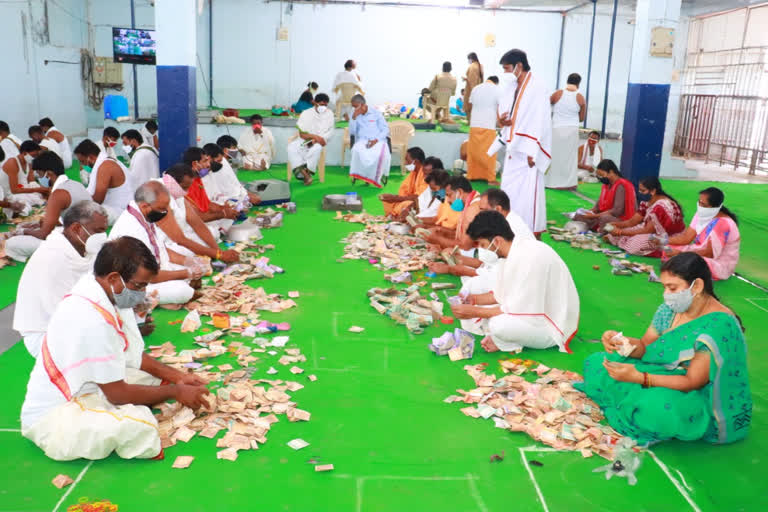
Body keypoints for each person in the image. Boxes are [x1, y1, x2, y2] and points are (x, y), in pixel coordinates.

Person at [20, 236, 211, 461]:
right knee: (140, 428)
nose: (142, 293)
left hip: (91, 384)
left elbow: (131, 353)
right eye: (139, 285)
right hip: (56, 411)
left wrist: (178, 377)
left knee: (152, 377)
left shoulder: (104, 290)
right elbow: (118, 394)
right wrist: (175, 391)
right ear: (113, 278)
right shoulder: (91, 318)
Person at [575, 252, 751, 445]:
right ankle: (630, 394)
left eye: (672, 287)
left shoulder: (718, 325)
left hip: (700, 394)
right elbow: (645, 346)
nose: (666, 294)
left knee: (658, 409)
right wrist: (621, 341)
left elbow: (693, 381)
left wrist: (641, 378)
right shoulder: (669, 310)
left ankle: (635, 397)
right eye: (664, 287)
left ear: (697, 286)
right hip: (663, 371)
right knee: (597, 362)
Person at [450, 210, 579, 353]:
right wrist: (472, 300)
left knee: (498, 325)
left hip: (550, 325)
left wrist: (475, 311)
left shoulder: (530, 257)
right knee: (475, 295)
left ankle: (505, 341)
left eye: (483, 244)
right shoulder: (512, 252)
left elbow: (520, 310)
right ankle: (501, 339)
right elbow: (500, 295)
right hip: (531, 312)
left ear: (497, 241)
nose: (483, 249)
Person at [13, 201, 108, 357]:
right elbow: (64, 315)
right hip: (45, 334)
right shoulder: (53, 258)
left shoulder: (83, 247)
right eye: (99, 231)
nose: (103, 236)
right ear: (76, 228)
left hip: (75, 320)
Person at [109, 181, 200, 304]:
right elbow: (150, 276)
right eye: (162, 209)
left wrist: (187, 261)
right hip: (133, 284)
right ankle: (151, 302)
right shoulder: (132, 228)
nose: (164, 213)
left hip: (153, 271)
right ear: (145, 206)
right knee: (183, 291)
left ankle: (163, 300)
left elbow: (160, 248)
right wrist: (186, 273)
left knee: (191, 266)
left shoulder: (143, 215)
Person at [497, 49, 552, 236]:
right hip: (514, 148)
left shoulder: (537, 86)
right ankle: (510, 231)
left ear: (519, 66)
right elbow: (508, 116)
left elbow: (540, 120)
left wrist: (533, 151)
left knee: (529, 198)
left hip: (529, 151)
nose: (505, 74)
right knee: (509, 193)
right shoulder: (513, 86)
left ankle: (531, 236)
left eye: (507, 69)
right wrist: (503, 121)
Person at [4, 152, 91, 262]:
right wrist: (39, 224)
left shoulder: (58, 193)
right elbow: (71, 218)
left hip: (75, 246)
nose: (39, 179)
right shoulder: (76, 184)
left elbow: (43, 234)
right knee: (36, 228)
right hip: (88, 239)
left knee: (12, 243)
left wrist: (23, 231)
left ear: (49, 174)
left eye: (40, 175)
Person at [159, 163, 240, 262]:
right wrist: (219, 255)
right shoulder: (159, 197)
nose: (187, 191)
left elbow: (197, 224)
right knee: (185, 252)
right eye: (185, 187)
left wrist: (218, 251)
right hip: (167, 244)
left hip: (184, 237)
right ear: (174, 183)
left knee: (211, 235)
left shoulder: (175, 191)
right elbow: (180, 240)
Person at [664, 187, 740, 280]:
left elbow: (709, 254)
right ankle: (677, 264)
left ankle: (677, 264)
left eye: (703, 204)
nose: (700, 206)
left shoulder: (723, 223)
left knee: (689, 262)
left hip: (716, 264)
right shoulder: (702, 213)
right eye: (699, 202)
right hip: (697, 251)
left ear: (714, 207)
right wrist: (663, 240)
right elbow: (686, 238)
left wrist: (680, 253)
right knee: (667, 248)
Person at [604, 177, 686, 257]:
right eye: (639, 190)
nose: (640, 192)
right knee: (613, 235)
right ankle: (625, 241)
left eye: (643, 190)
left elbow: (647, 231)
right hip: (649, 231)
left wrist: (620, 232)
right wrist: (616, 225)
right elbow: (632, 222)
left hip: (666, 237)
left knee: (635, 244)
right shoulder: (647, 202)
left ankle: (662, 251)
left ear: (653, 191)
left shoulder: (660, 206)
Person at [182, 147, 238, 239]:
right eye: (205, 161)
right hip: (191, 225)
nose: (209, 165)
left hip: (203, 219)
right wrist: (223, 214)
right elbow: (196, 217)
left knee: (227, 219)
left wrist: (224, 208)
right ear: (195, 164)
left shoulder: (197, 179)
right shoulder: (185, 184)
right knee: (213, 232)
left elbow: (207, 204)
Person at [74, 139, 132, 225]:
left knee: (78, 214)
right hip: (120, 208)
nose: (83, 165)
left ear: (91, 157)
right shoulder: (107, 161)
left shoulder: (105, 166)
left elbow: (97, 200)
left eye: (83, 161)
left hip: (119, 212)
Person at [546, 73, 586, 190]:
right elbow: (582, 118)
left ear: (567, 81)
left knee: (554, 156)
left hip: (557, 128)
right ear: (578, 84)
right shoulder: (580, 97)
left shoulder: (558, 93)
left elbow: (544, 106)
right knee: (570, 158)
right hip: (572, 130)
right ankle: (569, 184)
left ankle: (551, 182)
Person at [573, 159, 636, 231]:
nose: (601, 178)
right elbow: (597, 206)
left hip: (619, 219)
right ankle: (598, 228)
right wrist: (588, 212)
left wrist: (594, 215)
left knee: (605, 218)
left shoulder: (621, 186)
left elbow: (617, 211)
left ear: (611, 172)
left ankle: (600, 230)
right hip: (601, 216)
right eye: (599, 176)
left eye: (602, 175)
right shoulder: (606, 185)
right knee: (579, 215)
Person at [423, 176, 480, 253]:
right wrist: (442, 231)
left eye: (449, 195)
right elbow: (463, 236)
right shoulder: (471, 202)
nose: (448, 200)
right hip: (471, 250)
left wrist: (437, 239)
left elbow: (465, 246)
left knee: (444, 252)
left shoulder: (473, 209)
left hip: (478, 255)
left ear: (459, 192)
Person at [287, 93, 335, 185]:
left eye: (325, 105)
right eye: (321, 104)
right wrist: (314, 137)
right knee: (291, 147)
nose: (323, 107)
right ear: (315, 103)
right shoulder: (306, 113)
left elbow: (330, 131)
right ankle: (306, 175)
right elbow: (302, 134)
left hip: (320, 141)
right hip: (305, 140)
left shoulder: (329, 114)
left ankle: (306, 174)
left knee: (316, 149)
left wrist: (317, 140)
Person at [348, 94, 391, 188]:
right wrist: (354, 118)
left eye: (356, 107)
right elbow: (352, 132)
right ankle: (363, 176)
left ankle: (374, 177)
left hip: (378, 140)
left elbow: (385, 129)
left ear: (362, 105)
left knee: (378, 154)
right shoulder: (354, 114)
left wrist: (375, 140)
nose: (354, 109)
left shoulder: (376, 113)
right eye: (353, 107)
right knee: (356, 150)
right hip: (362, 141)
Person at [467, 76, 501, 184]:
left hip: (474, 123)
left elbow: (471, 104)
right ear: (496, 83)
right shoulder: (497, 90)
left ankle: (471, 175)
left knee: (473, 152)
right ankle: (490, 179)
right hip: (488, 124)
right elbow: (500, 108)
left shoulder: (476, 88)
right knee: (490, 153)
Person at [0, 140, 47, 215]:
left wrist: (41, 190)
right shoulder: (12, 162)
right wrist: (39, 189)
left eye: (36, 156)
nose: (35, 158)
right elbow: (14, 190)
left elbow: (32, 182)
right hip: (9, 193)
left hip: (20, 189)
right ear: (25, 153)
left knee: (40, 195)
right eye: (34, 155)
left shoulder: (29, 163)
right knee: (24, 208)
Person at [380, 147, 428, 217]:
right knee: (388, 201)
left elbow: (418, 197)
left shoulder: (426, 174)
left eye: (407, 160)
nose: (405, 163)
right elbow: (404, 191)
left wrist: (395, 198)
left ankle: (398, 216)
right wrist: (393, 197)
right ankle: (396, 215)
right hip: (409, 199)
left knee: (406, 204)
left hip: (419, 203)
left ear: (416, 161)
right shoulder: (413, 173)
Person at [463, 52, 484, 124]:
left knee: (468, 107)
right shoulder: (480, 66)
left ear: (471, 59)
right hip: (479, 88)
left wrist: (466, 79)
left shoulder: (472, 66)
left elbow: (472, 80)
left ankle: (470, 122)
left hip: (471, 89)